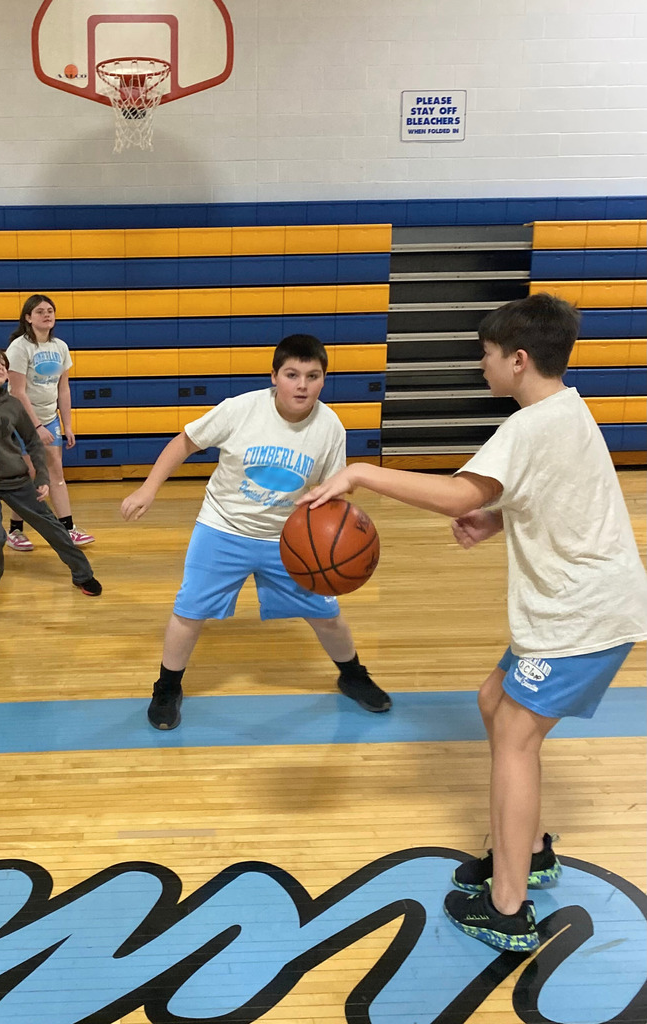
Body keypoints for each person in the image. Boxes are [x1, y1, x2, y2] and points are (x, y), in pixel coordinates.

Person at [300, 293, 647, 953]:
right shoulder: (564, 409)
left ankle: (508, 908)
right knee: (493, 701)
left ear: (517, 360)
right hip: (577, 608)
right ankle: (532, 852)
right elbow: (552, 490)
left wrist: (363, 472)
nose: (480, 367)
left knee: (515, 739)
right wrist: (498, 516)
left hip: (581, 618)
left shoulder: (528, 426)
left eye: (485, 357)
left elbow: (460, 492)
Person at [120, 333, 390, 731]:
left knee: (327, 615)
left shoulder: (330, 426)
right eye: (292, 374)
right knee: (190, 609)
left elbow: (335, 485)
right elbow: (185, 442)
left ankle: (352, 675)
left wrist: (332, 530)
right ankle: (166, 687)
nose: (302, 385)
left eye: (312, 376)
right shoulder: (240, 409)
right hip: (223, 525)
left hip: (290, 538)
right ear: (274, 377)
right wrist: (149, 487)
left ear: (323, 379)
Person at [0, 348, 101, 624]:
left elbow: (33, 442)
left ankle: (83, 574)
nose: (1, 367)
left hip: (17, 480)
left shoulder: (13, 404)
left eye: (3, 363)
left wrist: (41, 478)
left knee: (53, 527)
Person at [4, 294, 93, 551]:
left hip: (49, 418)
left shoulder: (60, 347)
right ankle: (15, 531)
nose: (46, 314)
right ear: (28, 318)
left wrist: (68, 425)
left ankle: (68, 528)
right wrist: (37, 427)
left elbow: (63, 389)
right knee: (29, 473)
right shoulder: (19, 348)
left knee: (56, 472)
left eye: (50, 310)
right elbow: (18, 391)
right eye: (40, 311)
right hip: (21, 420)